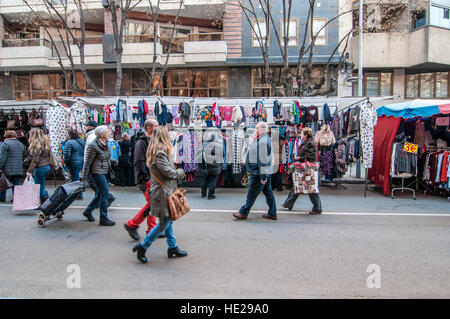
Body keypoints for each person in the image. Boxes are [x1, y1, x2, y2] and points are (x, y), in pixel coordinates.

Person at [132, 126, 187, 264]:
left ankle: (173, 247)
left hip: (164, 191)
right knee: (165, 222)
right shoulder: (160, 153)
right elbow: (169, 173)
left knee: (169, 219)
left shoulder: (158, 150)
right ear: (163, 136)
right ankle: (143, 247)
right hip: (162, 192)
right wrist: (181, 172)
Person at [124, 120, 160, 241]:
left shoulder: (152, 140)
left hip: (153, 177)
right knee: (152, 204)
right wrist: (145, 178)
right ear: (149, 128)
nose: (158, 127)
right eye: (156, 126)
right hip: (147, 178)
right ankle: (132, 225)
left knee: (153, 204)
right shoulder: (142, 142)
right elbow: (139, 161)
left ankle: (152, 230)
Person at [233, 122, 277, 220]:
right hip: (263, 171)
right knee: (268, 192)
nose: (255, 130)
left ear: (261, 129)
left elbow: (263, 160)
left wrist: (263, 177)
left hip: (259, 173)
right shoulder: (263, 139)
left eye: (256, 128)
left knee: (251, 194)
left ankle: (243, 212)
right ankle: (272, 213)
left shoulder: (262, 141)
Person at [281, 127, 322, 214]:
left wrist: (300, 158)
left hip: (307, 169)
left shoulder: (310, 143)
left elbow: (312, 156)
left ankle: (317, 208)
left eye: (302, 133)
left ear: (306, 135)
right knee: (298, 185)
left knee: (311, 188)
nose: (300, 135)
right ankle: (288, 203)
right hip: (303, 168)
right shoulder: (306, 143)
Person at [82, 126, 116, 226]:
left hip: (105, 171)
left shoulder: (105, 144)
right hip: (97, 172)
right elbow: (87, 163)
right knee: (105, 193)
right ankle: (103, 218)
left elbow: (105, 158)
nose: (108, 133)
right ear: (101, 134)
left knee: (100, 194)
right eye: (106, 131)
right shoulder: (93, 145)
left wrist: (113, 161)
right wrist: (84, 179)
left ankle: (88, 211)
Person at [26, 128, 55, 204]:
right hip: (47, 166)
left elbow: (36, 159)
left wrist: (29, 171)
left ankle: (46, 203)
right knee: (41, 185)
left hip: (40, 167)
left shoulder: (37, 143)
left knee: (38, 187)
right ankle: (45, 202)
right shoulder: (46, 142)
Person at [0, 131, 24, 201]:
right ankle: (17, 198)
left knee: (3, 182)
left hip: (8, 168)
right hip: (18, 168)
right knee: (16, 183)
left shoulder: (5, 144)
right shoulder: (20, 144)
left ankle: (2, 198)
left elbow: (2, 157)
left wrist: (0, 167)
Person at [199, 131, 223, 200]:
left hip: (207, 165)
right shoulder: (219, 145)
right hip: (215, 166)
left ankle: (203, 193)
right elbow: (223, 154)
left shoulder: (204, 144)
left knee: (205, 179)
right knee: (213, 180)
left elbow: (201, 155)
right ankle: (210, 195)